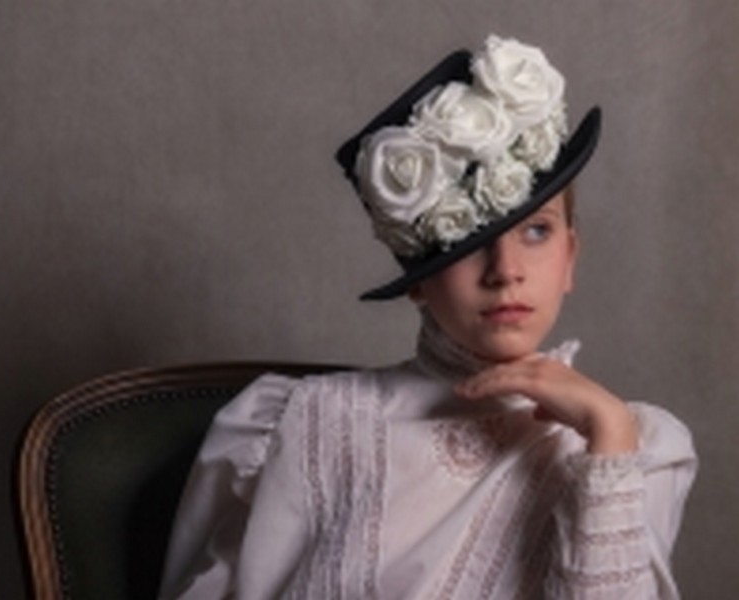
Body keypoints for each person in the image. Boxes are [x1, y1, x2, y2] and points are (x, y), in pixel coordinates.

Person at [159, 34, 697, 599]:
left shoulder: (633, 449)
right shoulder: (300, 421)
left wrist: (608, 435)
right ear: (418, 278)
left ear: (570, 257)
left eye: (537, 231)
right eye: (467, 242)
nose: (506, 271)